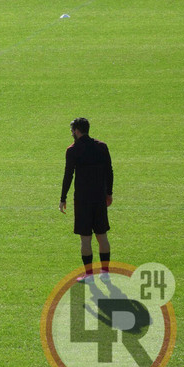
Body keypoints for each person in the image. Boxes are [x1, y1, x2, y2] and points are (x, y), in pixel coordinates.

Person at [59, 118, 113, 283]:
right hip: (99, 198)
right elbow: (109, 171)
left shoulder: (73, 150)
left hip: (82, 200)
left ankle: (89, 275)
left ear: (76, 131)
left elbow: (68, 175)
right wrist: (109, 193)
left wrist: (63, 198)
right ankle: (105, 272)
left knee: (85, 238)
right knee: (102, 235)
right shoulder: (101, 147)